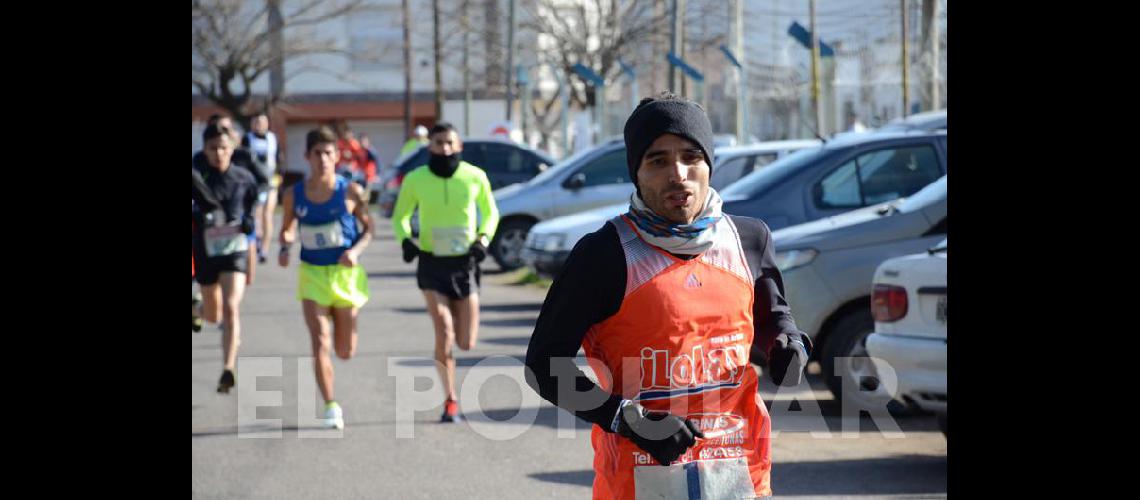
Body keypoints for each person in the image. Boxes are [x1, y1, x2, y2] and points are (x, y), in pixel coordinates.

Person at [523, 92, 812, 499]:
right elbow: (543, 365)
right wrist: (626, 419)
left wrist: (788, 344)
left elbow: (772, 316)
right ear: (637, 173)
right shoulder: (604, 254)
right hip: (640, 478)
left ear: (709, 164)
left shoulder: (748, 239)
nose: (678, 174)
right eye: (657, 160)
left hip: (739, 473)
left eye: (691, 156)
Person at [391, 122, 499, 423]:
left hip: (465, 264)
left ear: (459, 145)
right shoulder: (416, 179)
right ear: (430, 146)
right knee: (444, 331)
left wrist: (483, 239)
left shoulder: (474, 177)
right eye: (439, 143)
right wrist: (406, 241)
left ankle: (452, 382)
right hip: (431, 263)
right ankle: (450, 399)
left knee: (466, 342)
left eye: (450, 143)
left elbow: (490, 213)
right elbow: (400, 216)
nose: (445, 148)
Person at [278, 126, 374, 430]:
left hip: (344, 275)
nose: (323, 158)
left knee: (344, 351)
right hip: (312, 276)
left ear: (337, 156)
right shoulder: (293, 195)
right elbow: (287, 229)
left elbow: (369, 229)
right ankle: (331, 405)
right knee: (319, 341)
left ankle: (344, 334)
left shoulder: (351, 191)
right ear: (307, 156)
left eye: (328, 153)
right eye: (317, 153)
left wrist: (356, 251)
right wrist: (285, 243)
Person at [192, 123, 261, 394]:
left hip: (235, 251)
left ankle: (228, 367)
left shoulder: (244, 178)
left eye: (224, 148)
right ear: (205, 150)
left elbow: (252, 208)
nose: (219, 153)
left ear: (232, 148)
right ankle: (195, 310)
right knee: (213, 314)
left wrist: (249, 223)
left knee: (232, 307)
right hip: (207, 251)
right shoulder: (198, 177)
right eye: (213, 148)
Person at [243, 112, 282, 263]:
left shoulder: (273, 138)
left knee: (268, 214)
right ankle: (257, 239)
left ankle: (264, 249)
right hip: (254, 182)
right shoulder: (247, 138)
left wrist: (280, 175)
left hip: (271, 181)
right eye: (256, 122)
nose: (259, 125)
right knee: (257, 214)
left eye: (262, 122)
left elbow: (279, 158)